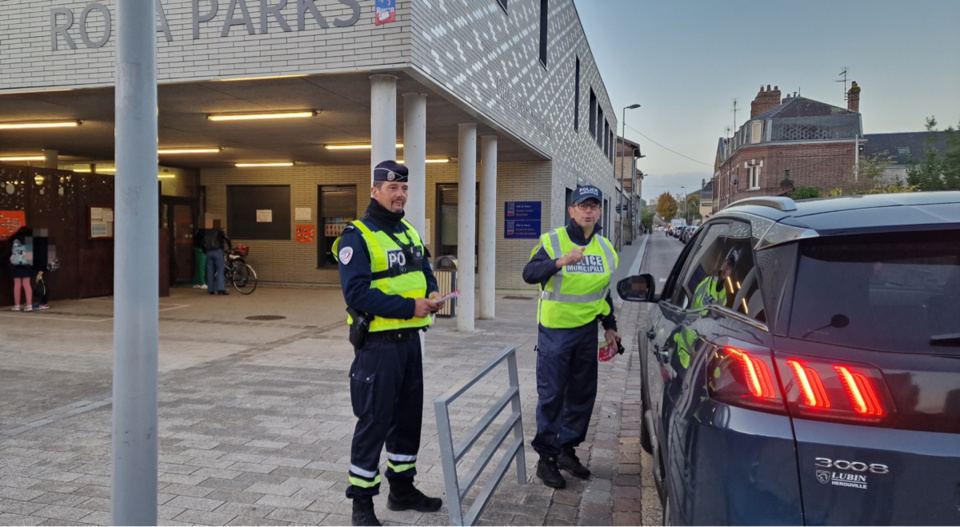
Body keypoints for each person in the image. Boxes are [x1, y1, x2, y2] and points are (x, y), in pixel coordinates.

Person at [332, 160, 444, 526]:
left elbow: (425, 270)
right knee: (374, 422)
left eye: (404, 189)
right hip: (378, 348)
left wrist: (431, 290)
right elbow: (357, 294)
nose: (400, 194)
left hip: (410, 343)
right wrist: (411, 307)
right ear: (375, 190)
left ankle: (402, 490)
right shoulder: (357, 236)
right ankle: (361, 504)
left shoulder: (409, 231)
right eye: (392, 188)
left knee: (408, 420)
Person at [522, 185, 620, 489]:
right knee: (552, 396)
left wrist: (610, 325)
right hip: (555, 333)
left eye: (594, 206)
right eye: (582, 206)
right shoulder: (553, 242)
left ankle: (566, 450)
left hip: (586, 333)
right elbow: (529, 273)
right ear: (571, 210)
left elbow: (602, 293)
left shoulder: (605, 248)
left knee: (581, 396)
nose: (588, 211)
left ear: (600, 211)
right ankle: (545, 459)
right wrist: (560, 262)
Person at [691, 248, 738, 312]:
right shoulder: (708, 280)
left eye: (730, 267)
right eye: (728, 263)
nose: (727, 268)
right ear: (724, 263)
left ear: (730, 273)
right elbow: (695, 297)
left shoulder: (723, 297)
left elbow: (716, 316)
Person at [7, 227, 35, 312]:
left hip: (15, 264)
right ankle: (29, 305)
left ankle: (17, 306)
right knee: (26, 284)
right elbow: (30, 255)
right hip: (26, 264)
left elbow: (10, 245)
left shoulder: (15, 239)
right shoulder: (30, 240)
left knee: (17, 284)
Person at [202, 218, 231, 295]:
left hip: (208, 253)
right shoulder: (220, 232)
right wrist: (230, 248)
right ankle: (221, 289)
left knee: (210, 271)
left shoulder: (206, 233)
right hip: (217, 252)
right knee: (220, 270)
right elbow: (227, 239)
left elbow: (202, 243)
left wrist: (205, 251)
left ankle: (210, 289)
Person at [192, 224, 207, 289]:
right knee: (201, 267)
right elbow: (203, 243)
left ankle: (196, 283)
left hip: (196, 249)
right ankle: (202, 283)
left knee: (198, 267)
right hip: (200, 251)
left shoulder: (198, 233)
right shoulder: (203, 234)